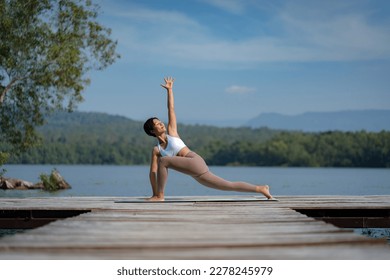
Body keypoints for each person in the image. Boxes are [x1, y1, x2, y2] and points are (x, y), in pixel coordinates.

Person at [143, 77, 276, 201]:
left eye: (161, 122)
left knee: (164, 161)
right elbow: (153, 173)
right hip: (196, 173)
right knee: (227, 185)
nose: (161, 124)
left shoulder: (172, 132)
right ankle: (261, 188)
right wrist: (153, 193)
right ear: (152, 131)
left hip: (194, 161)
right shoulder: (157, 150)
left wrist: (170, 90)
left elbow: (170, 109)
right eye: (157, 124)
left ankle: (160, 196)